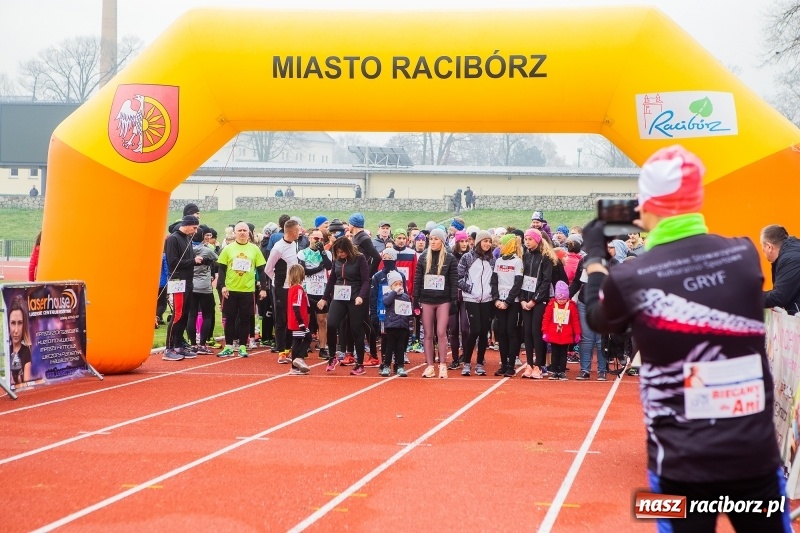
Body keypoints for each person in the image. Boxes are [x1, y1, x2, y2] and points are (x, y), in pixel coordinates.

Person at [582, 145, 788, 531]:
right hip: (754, 458)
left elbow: (598, 317)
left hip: (680, 465)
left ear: (648, 206)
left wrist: (596, 256)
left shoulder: (632, 277)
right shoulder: (744, 254)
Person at [319, 237, 371, 375]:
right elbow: (332, 279)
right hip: (339, 296)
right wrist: (324, 298)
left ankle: (359, 363)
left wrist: (361, 296)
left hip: (355, 298)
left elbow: (366, 280)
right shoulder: (336, 259)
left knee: (355, 330)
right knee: (331, 324)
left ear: (348, 249)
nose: (340, 254)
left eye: (342, 252)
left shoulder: (360, 258)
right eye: (338, 252)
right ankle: (332, 357)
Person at [215, 222, 268, 357]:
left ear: (249, 233)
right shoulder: (227, 249)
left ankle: (243, 346)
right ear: (235, 233)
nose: (242, 232)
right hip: (231, 290)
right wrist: (222, 286)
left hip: (248, 290)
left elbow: (261, 270)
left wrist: (263, 288)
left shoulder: (255, 249)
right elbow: (221, 269)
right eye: (240, 230)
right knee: (230, 319)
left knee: (245, 319)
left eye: (245, 230)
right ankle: (228, 346)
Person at [414, 227, 459, 378]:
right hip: (426, 299)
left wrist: (453, 301)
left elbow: (454, 282)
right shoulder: (423, 257)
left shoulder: (450, 258)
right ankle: (429, 366)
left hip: (443, 300)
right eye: (431, 239)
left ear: (442, 241)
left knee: (441, 332)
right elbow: (418, 280)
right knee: (427, 334)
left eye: (436, 239)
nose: (432, 242)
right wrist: (415, 300)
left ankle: (443, 365)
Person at [163, 215, 205, 361]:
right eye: (194, 228)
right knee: (178, 314)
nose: (195, 231)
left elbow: (186, 260)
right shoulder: (173, 239)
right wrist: (192, 261)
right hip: (177, 281)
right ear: (186, 225)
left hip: (188, 280)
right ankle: (168, 348)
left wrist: (195, 262)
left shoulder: (188, 239)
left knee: (185, 313)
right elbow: (173, 262)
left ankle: (178, 344)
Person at [458, 230, 495, 376]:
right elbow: (459, 278)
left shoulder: (492, 259)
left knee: (484, 331)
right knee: (475, 330)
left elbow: (494, 279)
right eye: (485, 241)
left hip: (487, 299)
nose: (487, 244)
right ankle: (467, 362)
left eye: (489, 241)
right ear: (479, 242)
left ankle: (480, 363)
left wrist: (491, 292)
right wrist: (470, 289)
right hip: (471, 298)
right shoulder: (467, 257)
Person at [491, 234, 524, 377]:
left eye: (502, 244)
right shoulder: (498, 261)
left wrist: (507, 301)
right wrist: (496, 299)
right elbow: (494, 282)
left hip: (513, 303)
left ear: (509, 245)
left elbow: (518, 284)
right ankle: (503, 364)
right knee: (501, 333)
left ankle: (511, 364)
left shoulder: (518, 262)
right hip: (500, 303)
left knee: (511, 331)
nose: (499, 246)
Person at [298, 228, 332, 358]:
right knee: (306, 320)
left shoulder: (327, 253)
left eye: (321, 239)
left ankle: (323, 348)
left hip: (321, 291)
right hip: (307, 291)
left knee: (322, 320)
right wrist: (319, 267)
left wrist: (322, 251)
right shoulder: (302, 253)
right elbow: (303, 271)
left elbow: (329, 266)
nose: (318, 241)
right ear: (310, 238)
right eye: (316, 239)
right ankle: (304, 346)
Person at [186, 226, 218, 354]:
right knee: (207, 315)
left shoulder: (187, 250)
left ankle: (193, 344)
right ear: (203, 236)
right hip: (205, 286)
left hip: (192, 284)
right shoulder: (207, 250)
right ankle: (203, 344)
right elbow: (218, 260)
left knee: (192, 315)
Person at [541, 281, 581, 381]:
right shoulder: (551, 305)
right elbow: (546, 319)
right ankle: (554, 371)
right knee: (555, 354)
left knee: (563, 354)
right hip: (554, 334)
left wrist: (577, 333)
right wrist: (545, 332)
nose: (561, 301)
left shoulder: (571, 306)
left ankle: (562, 372)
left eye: (563, 299)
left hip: (566, 335)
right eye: (559, 298)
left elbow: (575, 320)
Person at [761, 224, 800, 315]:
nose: (763, 251)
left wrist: (750, 298)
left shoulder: (790, 259)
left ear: (769, 247)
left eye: (763, 248)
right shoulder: (793, 253)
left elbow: (779, 297)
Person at [381, 270, 411, 377]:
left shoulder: (405, 296)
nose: (399, 286)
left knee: (400, 347)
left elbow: (408, 310)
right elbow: (386, 302)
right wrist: (394, 292)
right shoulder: (387, 295)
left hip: (402, 326)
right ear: (391, 286)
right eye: (396, 284)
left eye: (400, 283)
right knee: (389, 347)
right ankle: (386, 366)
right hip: (391, 326)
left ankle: (400, 366)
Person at [287, 264, 311, 375]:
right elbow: (296, 306)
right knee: (298, 340)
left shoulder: (292, 288)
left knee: (307, 337)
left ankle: (297, 360)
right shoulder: (298, 289)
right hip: (298, 321)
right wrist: (301, 322)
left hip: (295, 320)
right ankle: (296, 362)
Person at [8, 295, 33, 385]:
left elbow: (26, 387)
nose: (16, 330)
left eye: (20, 323)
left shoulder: (26, 352)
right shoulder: (7, 351)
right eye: (13, 323)